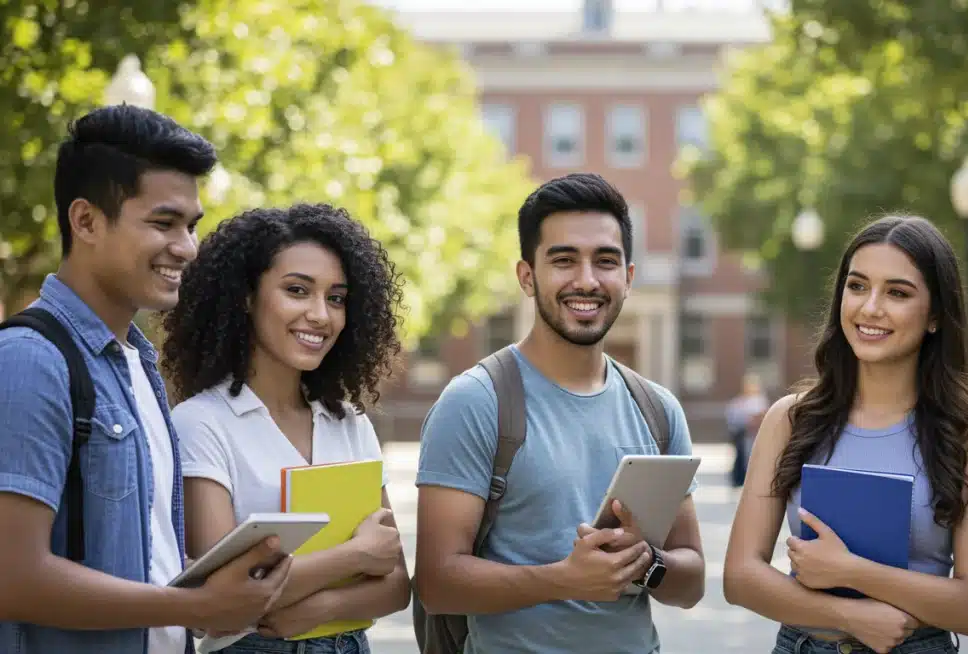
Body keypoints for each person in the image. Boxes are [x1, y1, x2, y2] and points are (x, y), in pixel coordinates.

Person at [0, 105, 293, 654]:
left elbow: (139, 558)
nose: (187, 247)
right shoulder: (31, 361)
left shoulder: (137, 363)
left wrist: (219, 590)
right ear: (86, 221)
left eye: (192, 226)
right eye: (163, 223)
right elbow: (12, 577)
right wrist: (194, 607)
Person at [413, 173, 706, 653]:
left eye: (605, 261)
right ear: (527, 276)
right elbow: (437, 583)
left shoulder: (658, 409)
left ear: (629, 278)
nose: (587, 280)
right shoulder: (474, 401)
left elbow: (691, 584)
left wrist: (646, 561)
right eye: (564, 260)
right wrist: (565, 579)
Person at [724, 215, 968, 654]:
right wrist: (848, 615)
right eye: (857, 286)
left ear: (935, 315)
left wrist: (851, 571)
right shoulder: (791, 420)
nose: (870, 308)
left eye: (897, 293)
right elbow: (740, 577)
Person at [159, 203, 411, 653]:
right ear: (246, 297)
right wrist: (355, 556)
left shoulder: (349, 422)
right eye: (297, 291)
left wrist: (323, 606)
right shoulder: (202, 423)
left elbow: (396, 587)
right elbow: (226, 596)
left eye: (336, 298)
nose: (321, 315)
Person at [726, 374, 769, 487]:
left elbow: (764, 416)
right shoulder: (739, 401)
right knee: (741, 456)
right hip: (742, 434)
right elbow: (733, 417)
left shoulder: (760, 400)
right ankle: (740, 478)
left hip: (755, 434)